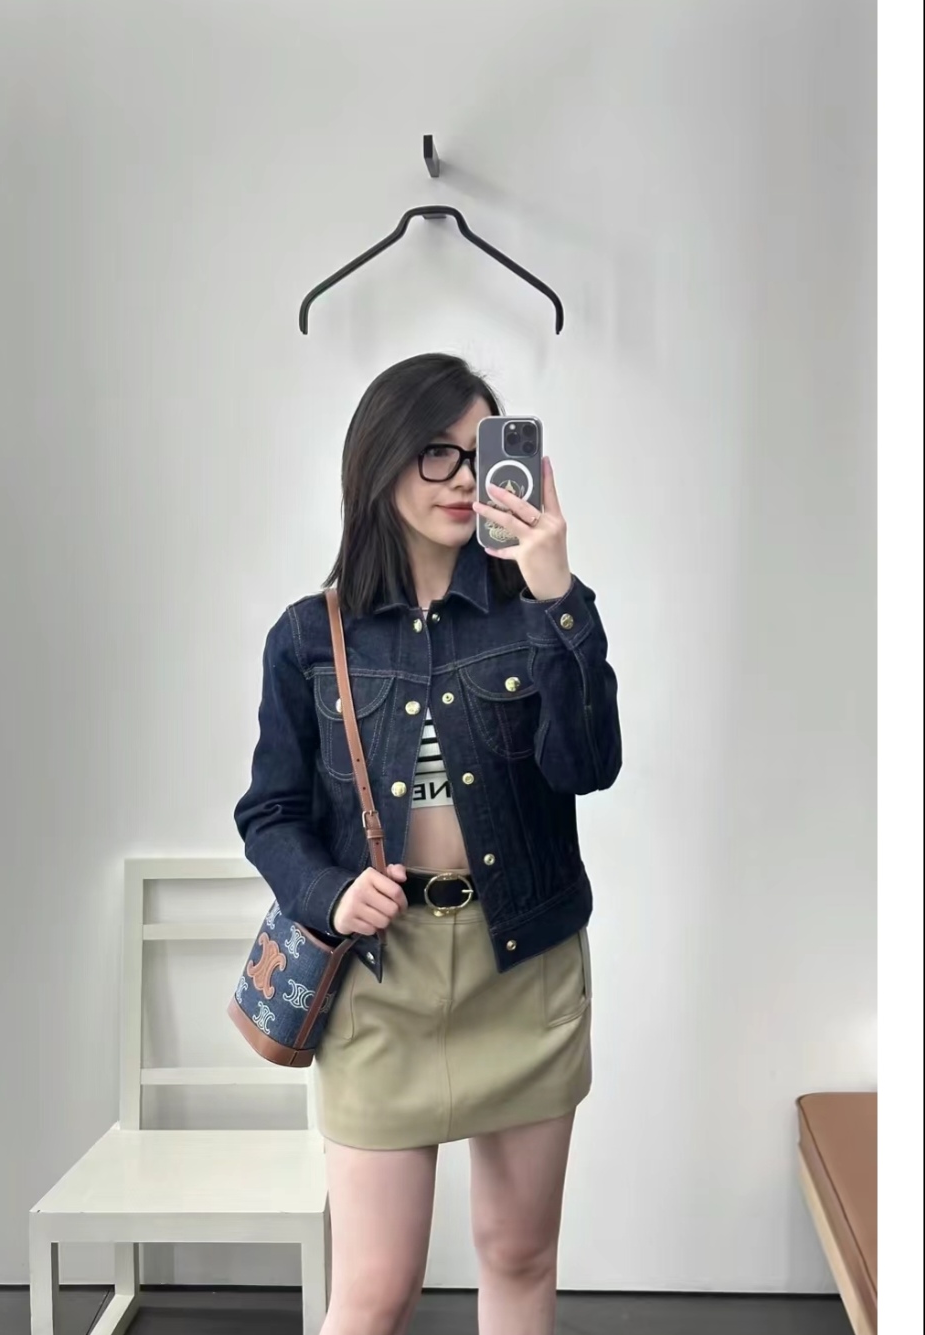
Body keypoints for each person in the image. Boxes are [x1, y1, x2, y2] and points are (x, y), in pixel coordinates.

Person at [234, 352, 621, 1335]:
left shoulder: (541, 615)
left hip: (523, 965)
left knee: (520, 1255)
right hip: (380, 980)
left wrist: (558, 597)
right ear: (382, 460)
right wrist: (328, 893)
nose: (462, 477)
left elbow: (589, 765)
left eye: (481, 451)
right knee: (375, 1289)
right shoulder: (310, 637)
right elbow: (270, 811)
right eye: (436, 452)